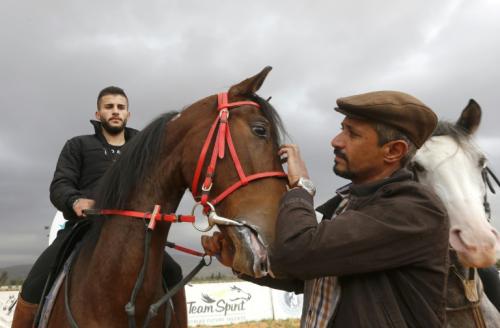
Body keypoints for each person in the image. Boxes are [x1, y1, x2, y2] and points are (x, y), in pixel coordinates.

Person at [202, 91, 450, 327]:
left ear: (393, 151)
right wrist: (238, 261)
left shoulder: (414, 210)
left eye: (352, 134)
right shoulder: (346, 204)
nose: (336, 141)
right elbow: (310, 275)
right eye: (342, 129)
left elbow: (298, 252)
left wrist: (300, 187)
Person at [13, 86, 185, 327]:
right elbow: (60, 185)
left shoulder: (145, 148)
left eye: (120, 107)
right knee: (35, 281)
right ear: (98, 113)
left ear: (128, 114)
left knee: (174, 272)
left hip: (136, 234)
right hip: (84, 229)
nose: (115, 112)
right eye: (109, 107)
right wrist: (74, 200)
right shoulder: (77, 145)